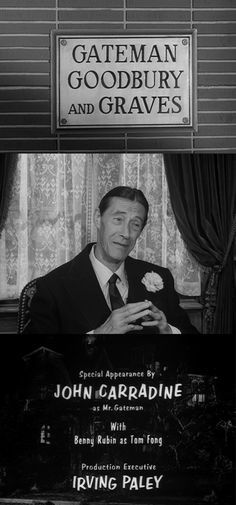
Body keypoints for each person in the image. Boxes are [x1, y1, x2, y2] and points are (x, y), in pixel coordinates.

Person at [26, 186, 198, 334]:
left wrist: (168, 331)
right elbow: (38, 359)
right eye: (118, 219)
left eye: (135, 224)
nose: (126, 233)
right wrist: (97, 335)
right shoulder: (52, 287)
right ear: (97, 218)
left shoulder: (161, 277)